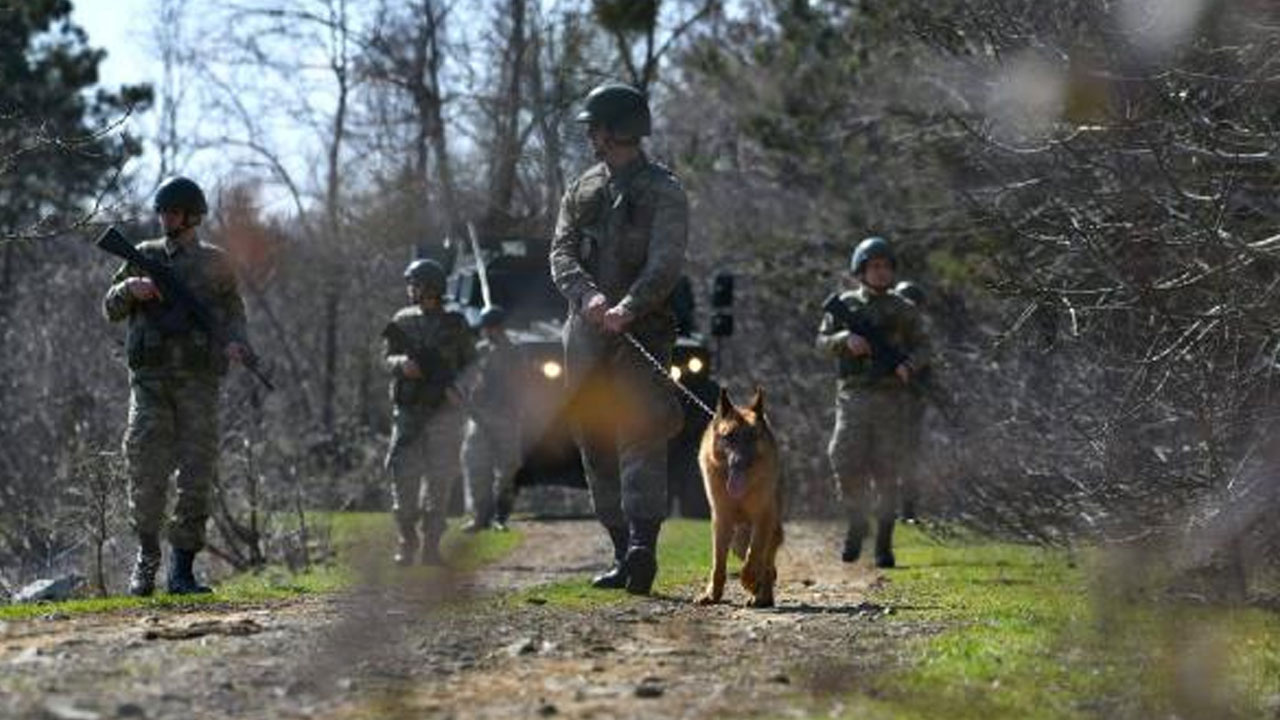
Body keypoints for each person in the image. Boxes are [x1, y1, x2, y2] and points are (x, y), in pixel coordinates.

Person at [549, 82, 689, 595]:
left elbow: (666, 262)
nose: (590, 137)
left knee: (641, 433)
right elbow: (560, 253)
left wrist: (629, 307)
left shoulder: (665, 191)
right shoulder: (581, 189)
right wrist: (587, 298)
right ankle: (618, 549)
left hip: (643, 333)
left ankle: (642, 548)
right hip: (585, 335)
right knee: (593, 438)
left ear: (615, 130)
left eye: (595, 128)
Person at [103, 176, 251, 596]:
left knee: (196, 476)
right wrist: (129, 289)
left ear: (192, 216)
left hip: (200, 385)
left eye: (173, 212)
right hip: (149, 384)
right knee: (146, 471)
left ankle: (182, 571)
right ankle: (146, 560)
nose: (165, 218)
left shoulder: (217, 263)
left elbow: (235, 314)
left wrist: (238, 344)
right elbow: (110, 308)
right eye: (163, 212)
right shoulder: (143, 256)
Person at [816, 236, 930, 568]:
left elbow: (924, 347)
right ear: (861, 270)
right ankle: (856, 520)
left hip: (892, 398)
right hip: (853, 395)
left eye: (885, 266)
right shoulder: (847, 305)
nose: (880, 272)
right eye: (874, 266)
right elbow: (821, 341)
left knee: (887, 470)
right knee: (843, 457)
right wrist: (844, 340)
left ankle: (883, 542)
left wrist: (910, 365)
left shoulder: (904, 310)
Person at [383, 258, 475, 565]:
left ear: (430, 287)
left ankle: (432, 545)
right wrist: (400, 365)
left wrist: (458, 390)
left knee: (440, 480)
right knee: (403, 478)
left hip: (444, 414)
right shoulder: (402, 320)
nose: (410, 289)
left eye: (415, 284)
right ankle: (406, 539)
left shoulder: (456, 324)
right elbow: (385, 358)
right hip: (408, 412)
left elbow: (472, 366)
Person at [460, 305, 523, 532]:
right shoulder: (478, 351)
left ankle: (501, 516)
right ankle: (479, 517)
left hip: (506, 416)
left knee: (508, 469)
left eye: (494, 327)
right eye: (487, 328)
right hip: (479, 417)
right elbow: (465, 379)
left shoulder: (513, 352)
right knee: (476, 467)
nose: (490, 331)